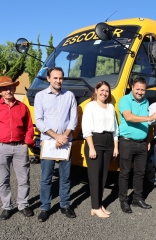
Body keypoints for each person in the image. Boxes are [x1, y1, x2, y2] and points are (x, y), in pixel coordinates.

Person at [34, 67, 78, 222]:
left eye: (60, 78)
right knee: (46, 177)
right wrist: (56, 136)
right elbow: (39, 120)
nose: (58, 81)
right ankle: (45, 207)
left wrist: (64, 136)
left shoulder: (69, 95)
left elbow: (73, 119)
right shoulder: (40, 96)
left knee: (65, 177)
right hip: (48, 142)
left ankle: (65, 204)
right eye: (55, 78)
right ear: (48, 79)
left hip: (66, 142)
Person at [118, 77, 156, 214]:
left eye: (143, 89)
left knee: (140, 173)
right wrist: (150, 117)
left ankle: (137, 198)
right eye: (138, 89)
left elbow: (147, 126)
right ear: (132, 87)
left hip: (142, 144)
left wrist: (148, 141)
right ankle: (124, 201)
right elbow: (129, 117)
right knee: (124, 173)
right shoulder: (125, 100)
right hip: (127, 142)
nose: (140, 92)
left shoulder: (146, 101)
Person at [82, 81, 119, 218]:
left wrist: (115, 146)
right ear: (96, 90)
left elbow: (115, 129)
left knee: (103, 176)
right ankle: (95, 207)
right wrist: (91, 148)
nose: (104, 93)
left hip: (109, 142)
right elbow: (86, 129)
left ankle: (99, 204)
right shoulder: (90, 106)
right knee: (94, 176)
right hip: (95, 142)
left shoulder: (110, 107)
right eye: (102, 90)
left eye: (107, 91)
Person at [0, 76, 34, 220]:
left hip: (20, 147)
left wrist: (26, 142)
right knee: (3, 180)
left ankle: (23, 205)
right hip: (2, 147)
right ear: (0, 91)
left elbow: (29, 126)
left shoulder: (22, 107)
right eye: (4, 88)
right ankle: (7, 207)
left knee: (24, 179)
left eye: (10, 87)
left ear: (14, 88)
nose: (8, 90)